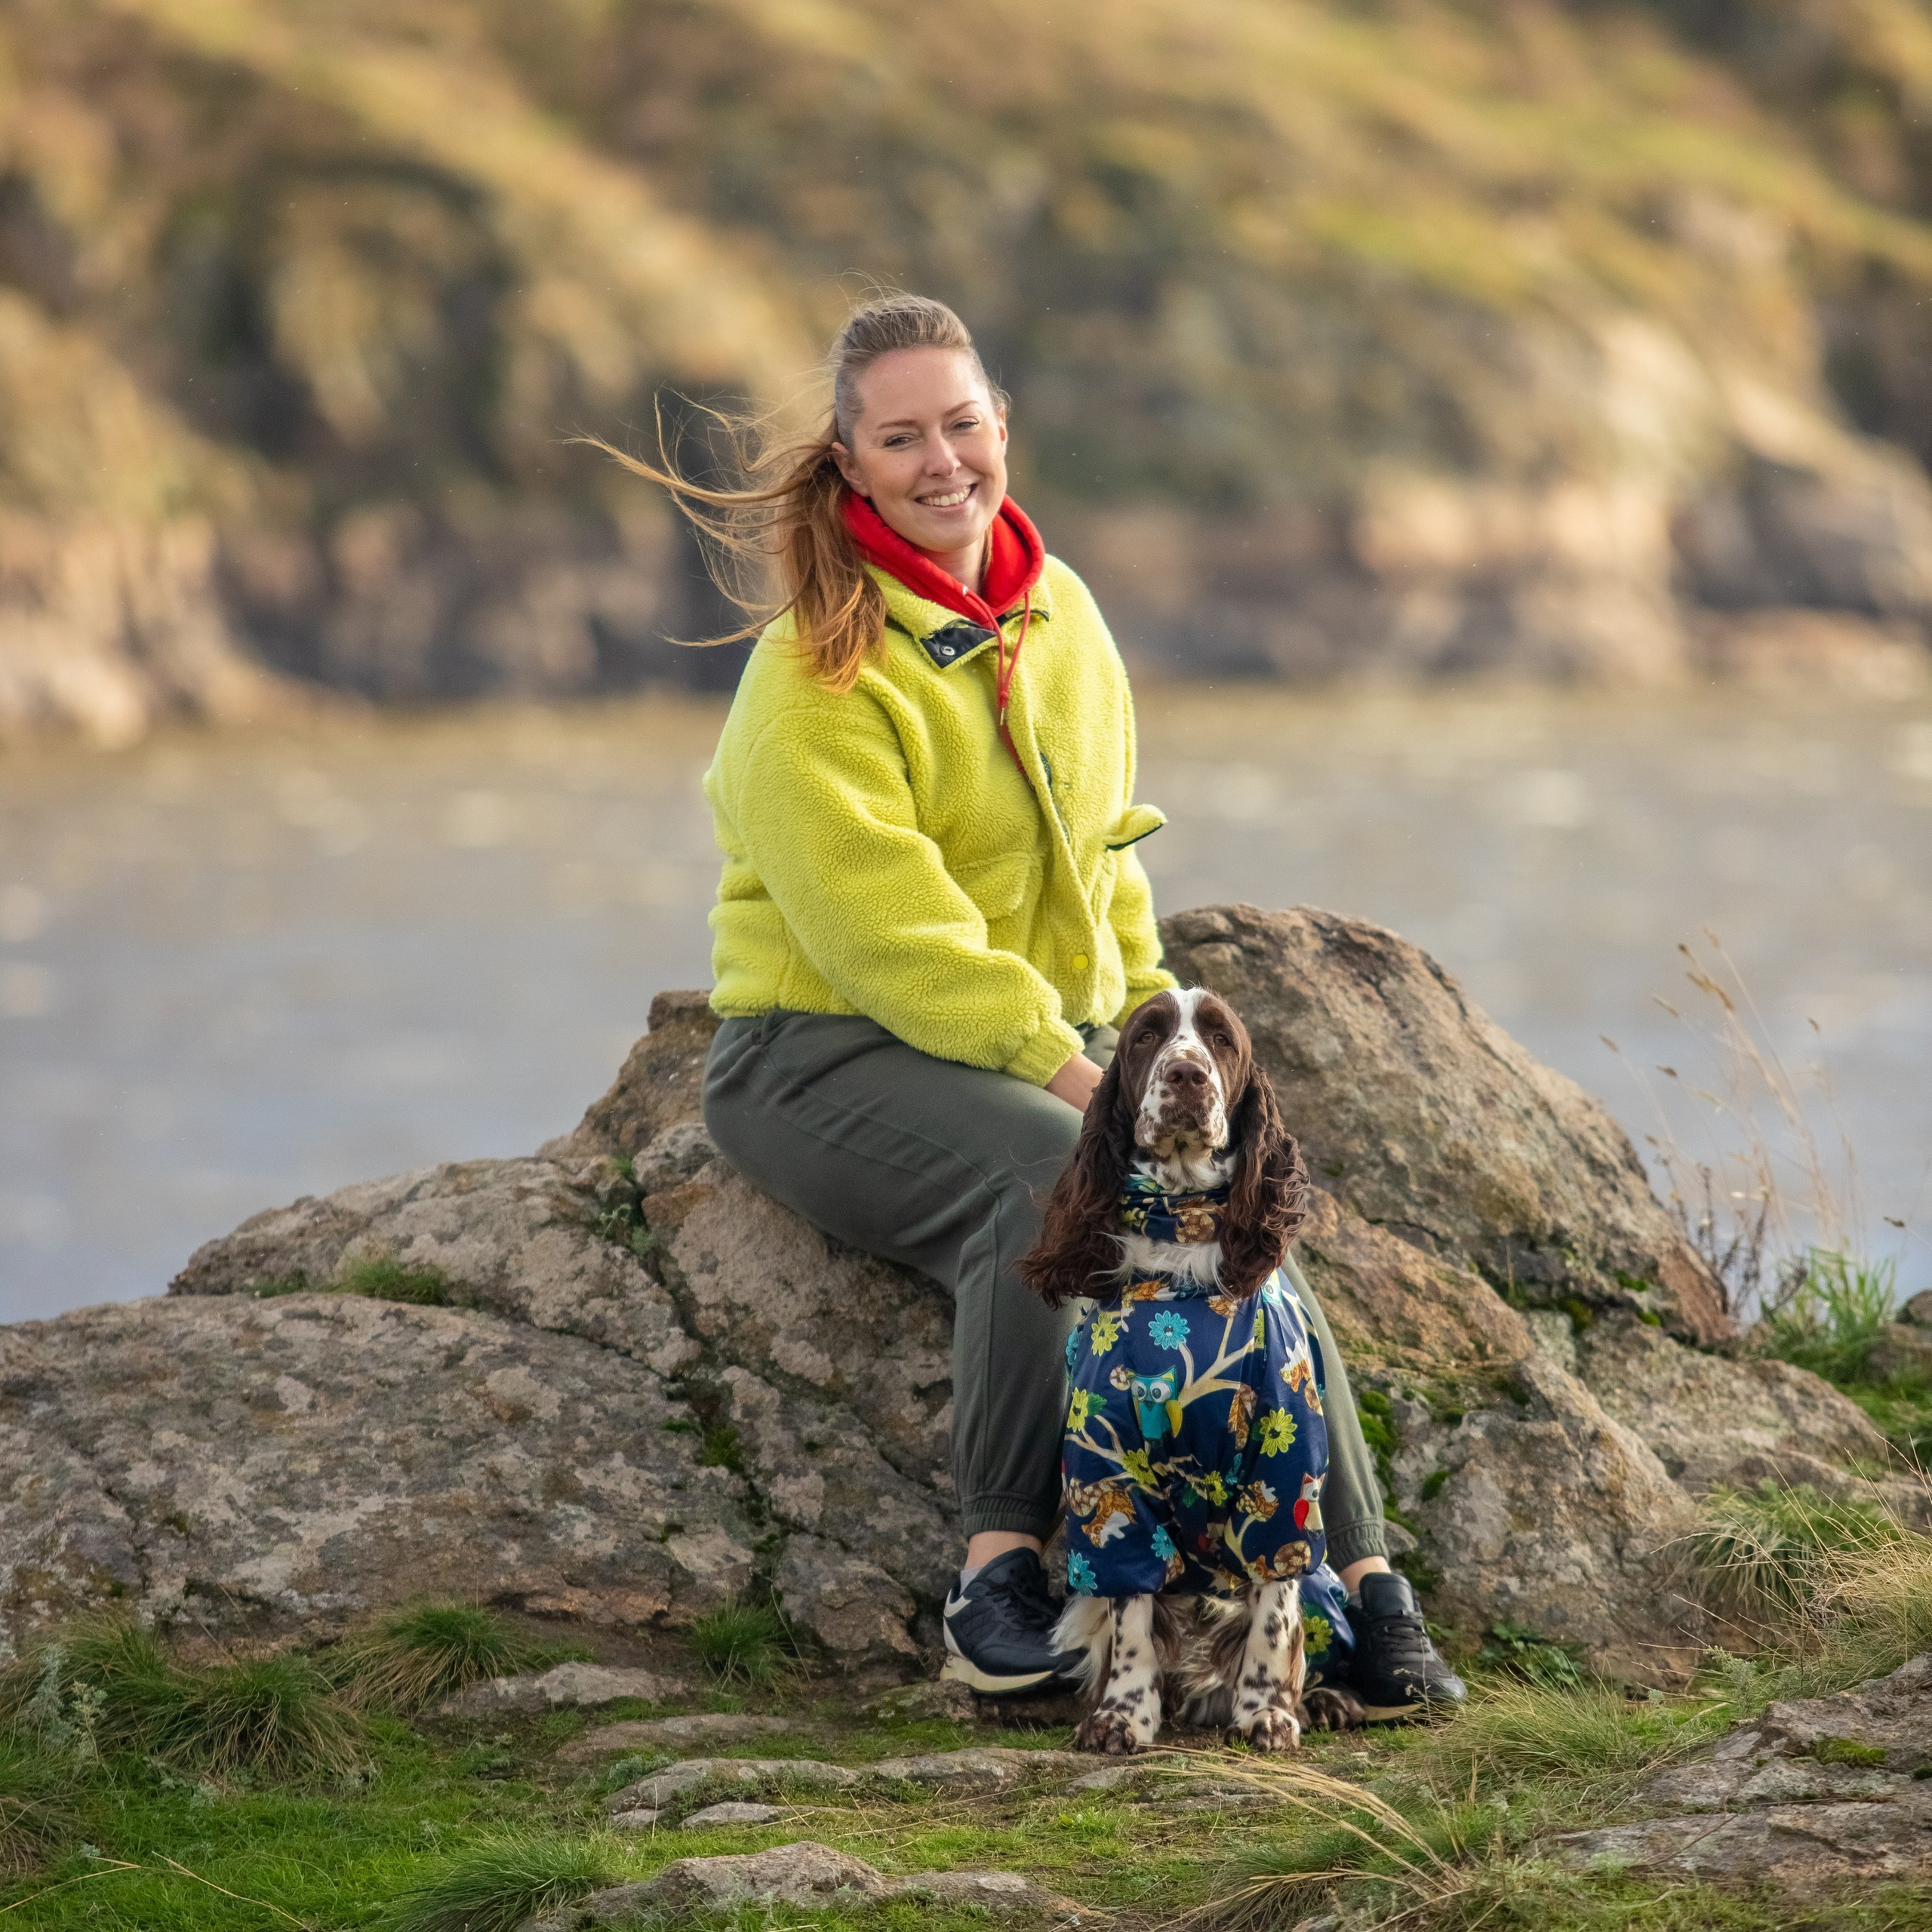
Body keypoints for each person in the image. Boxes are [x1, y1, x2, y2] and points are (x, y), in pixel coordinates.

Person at [594, 293, 1464, 1717]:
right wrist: (1090, 1094)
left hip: (1037, 1045)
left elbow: (1112, 865)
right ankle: (997, 1573)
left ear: (1003, 428)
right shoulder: (812, 672)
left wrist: (1146, 1029)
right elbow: (896, 946)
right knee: (1048, 1179)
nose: (942, 461)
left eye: (962, 425)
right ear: (850, 461)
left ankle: (1353, 1588)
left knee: (1237, 1221)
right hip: (821, 1053)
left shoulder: (1063, 614)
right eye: (901, 438)